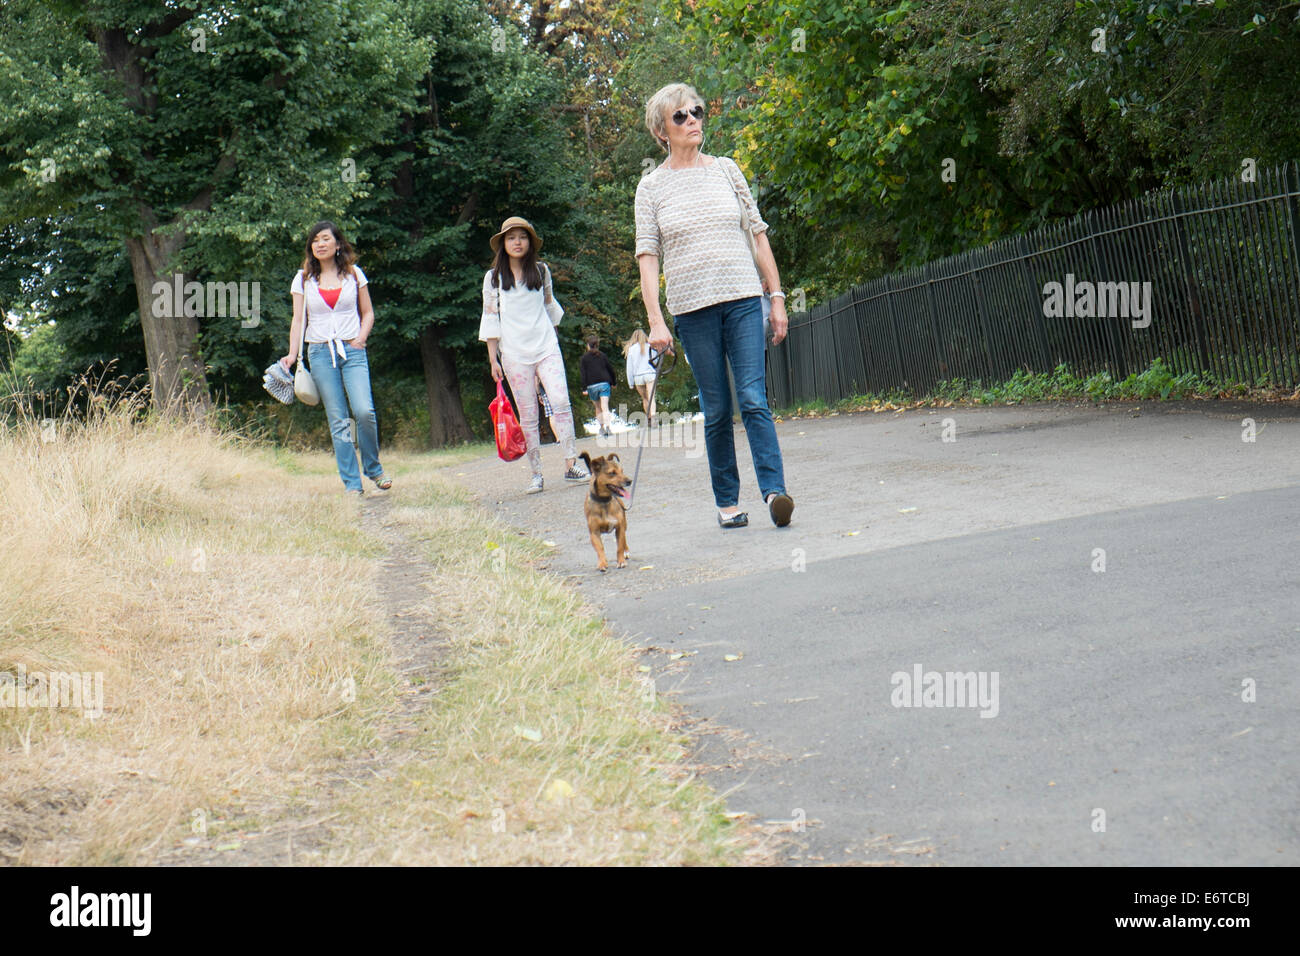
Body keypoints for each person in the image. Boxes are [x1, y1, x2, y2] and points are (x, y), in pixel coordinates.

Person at [634, 83, 795, 528]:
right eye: (681, 116)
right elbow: (648, 259)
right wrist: (656, 322)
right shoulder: (651, 188)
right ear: (661, 130)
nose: (693, 121)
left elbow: (758, 234)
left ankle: (774, 493)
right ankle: (728, 502)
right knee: (718, 407)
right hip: (693, 310)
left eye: (697, 112)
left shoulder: (727, 170)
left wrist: (776, 297)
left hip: (744, 299)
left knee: (753, 398)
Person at [280, 221, 391, 496]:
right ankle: (352, 485)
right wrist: (293, 354)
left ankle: (373, 469)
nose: (320, 244)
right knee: (339, 419)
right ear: (311, 247)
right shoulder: (303, 279)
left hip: (353, 350)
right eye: (315, 240)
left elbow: (368, 313)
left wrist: (361, 339)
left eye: (326, 239)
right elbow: (298, 320)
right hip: (319, 352)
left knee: (364, 411)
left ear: (338, 244)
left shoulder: (354, 274)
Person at [479, 216, 587, 494]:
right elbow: (490, 319)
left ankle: (571, 464)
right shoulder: (492, 279)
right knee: (528, 415)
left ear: (530, 242)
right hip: (514, 355)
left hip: (546, 348)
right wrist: (494, 360)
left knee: (561, 401)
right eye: (511, 237)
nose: (517, 242)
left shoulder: (541, 270)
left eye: (523, 237)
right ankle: (536, 474)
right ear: (503, 243)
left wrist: (551, 344)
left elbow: (550, 309)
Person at [580, 336, 617, 437]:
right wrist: (614, 382)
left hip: (592, 386)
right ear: (597, 345)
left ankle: (601, 428)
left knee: (597, 407)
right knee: (605, 407)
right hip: (604, 383)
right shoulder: (603, 356)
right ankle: (608, 427)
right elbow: (610, 369)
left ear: (588, 345)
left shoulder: (584, 358)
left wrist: (584, 388)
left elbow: (583, 374)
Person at [623, 329, 658, 424]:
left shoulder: (631, 349)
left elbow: (629, 368)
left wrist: (631, 383)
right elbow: (655, 361)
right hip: (649, 374)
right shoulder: (650, 347)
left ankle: (649, 419)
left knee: (645, 398)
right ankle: (654, 416)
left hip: (638, 377)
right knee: (651, 397)